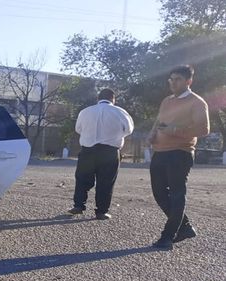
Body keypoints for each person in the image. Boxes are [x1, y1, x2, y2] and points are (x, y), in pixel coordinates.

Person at [148, 65, 210, 250]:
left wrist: (175, 131)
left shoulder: (197, 102)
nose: (172, 83)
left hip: (180, 153)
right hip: (160, 152)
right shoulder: (167, 100)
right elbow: (159, 121)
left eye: (178, 79)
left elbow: (204, 129)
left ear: (188, 81)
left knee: (176, 194)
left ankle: (168, 236)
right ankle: (185, 227)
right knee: (159, 193)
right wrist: (152, 134)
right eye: (171, 79)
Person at [68, 88, 134, 220]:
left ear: (98, 98)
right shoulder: (120, 112)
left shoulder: (85, 112)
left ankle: (79, 205)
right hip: (109, 151)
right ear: (113, 99)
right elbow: (129, 130)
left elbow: (78, 129)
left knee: (82, 179)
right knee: (106, 181)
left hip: (87, 150)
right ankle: (101, 211)